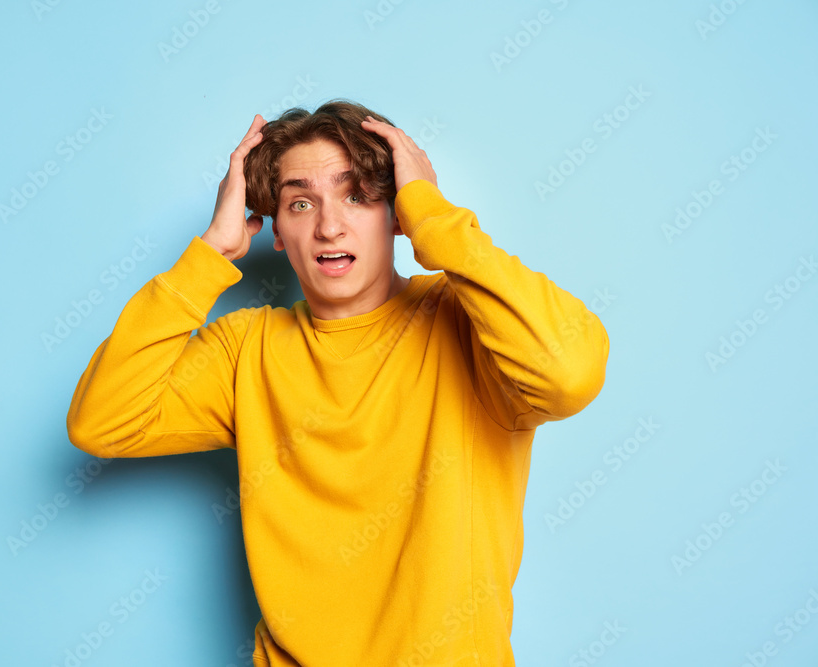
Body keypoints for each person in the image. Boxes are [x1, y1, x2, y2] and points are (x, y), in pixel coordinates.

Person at [66, 99, 610, 666]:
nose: (329, 225)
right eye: (301, 203)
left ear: (395, 212)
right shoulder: (244, 348)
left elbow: (569, 372)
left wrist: (433, 216)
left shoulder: (472, 327)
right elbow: (101, 421)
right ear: (277, 231)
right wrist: (212, 255)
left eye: (357, 195)